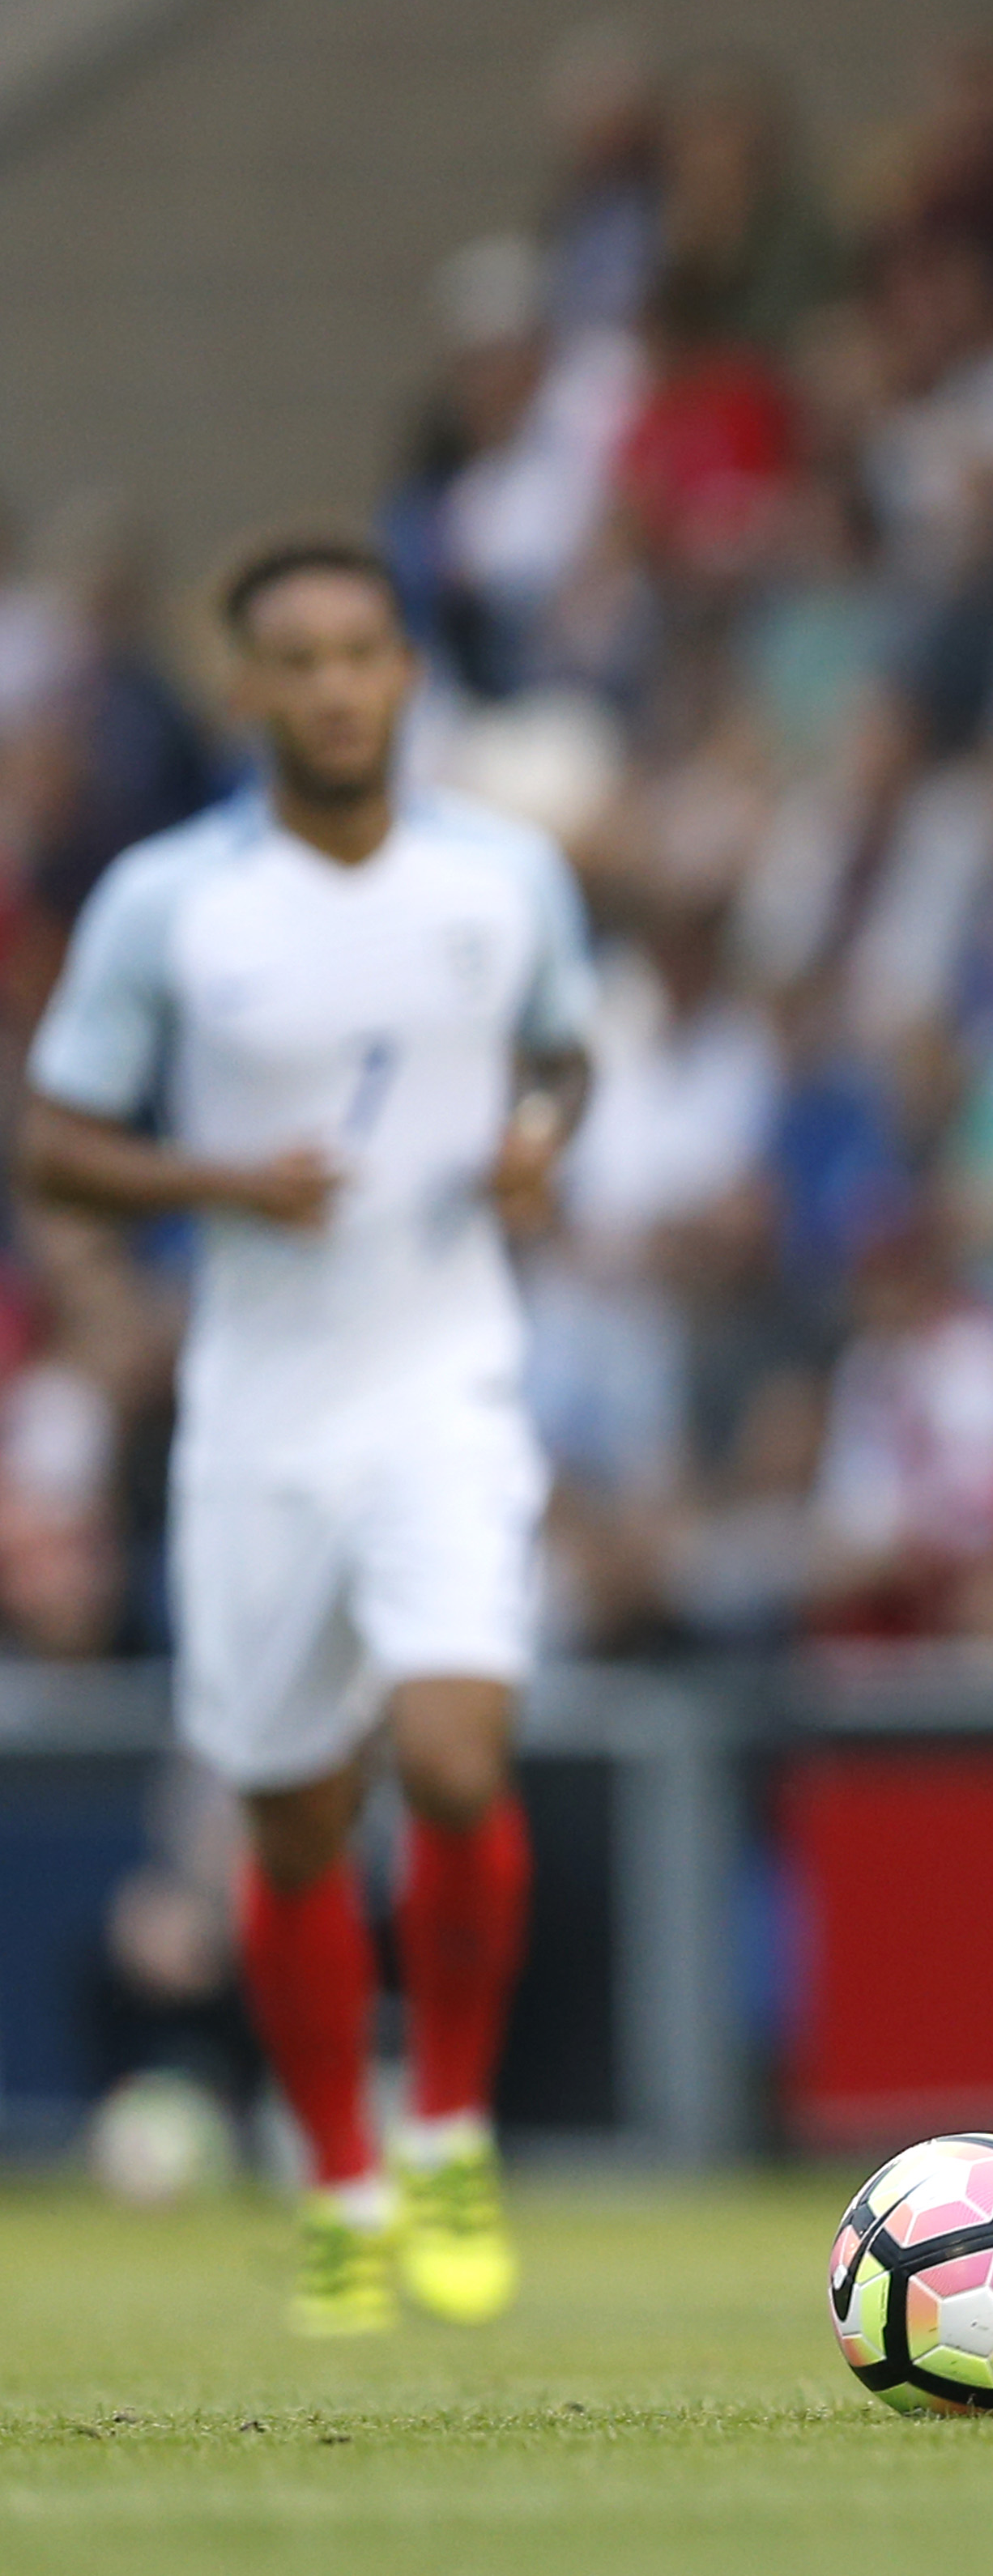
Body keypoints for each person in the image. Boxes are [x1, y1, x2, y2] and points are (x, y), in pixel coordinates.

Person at [19, 533, 593, 2336]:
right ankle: (341, 2178)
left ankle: (450, 2128)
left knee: (452, 1750)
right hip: (260, 1409)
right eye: (301, 659)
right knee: (286, 1824)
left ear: (406, 672)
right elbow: (54, 1139)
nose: (338, 685)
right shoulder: (169, 903)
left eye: (365, 652)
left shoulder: (503, 878)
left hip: (446, 1376)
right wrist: (213, 1185)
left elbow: (562, 1054)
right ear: (250, 688)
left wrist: (536, 1135)